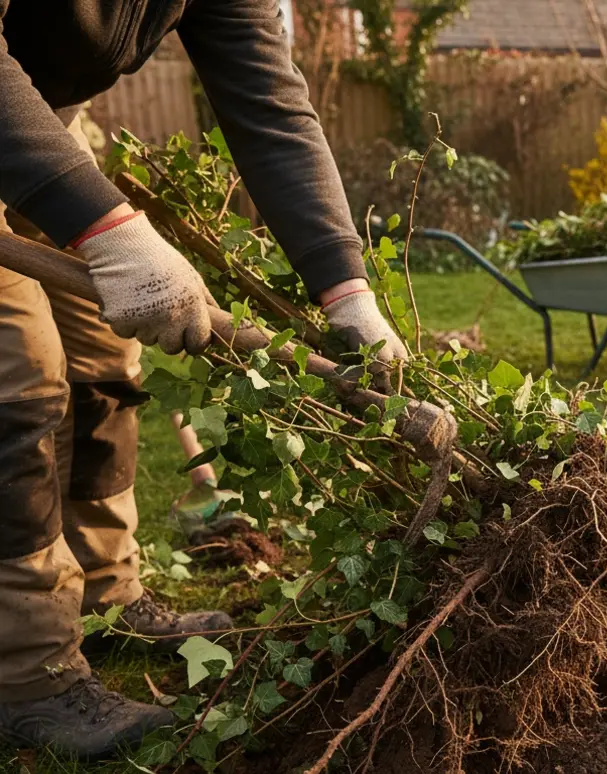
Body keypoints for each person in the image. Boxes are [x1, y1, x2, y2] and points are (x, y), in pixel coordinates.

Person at [0, 0, 407, 759]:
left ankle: (106, 591)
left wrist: (346, 291)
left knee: (103, 359)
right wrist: (108, 229)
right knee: (15, 381)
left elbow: (270, 103)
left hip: (39, 123)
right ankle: (29, 674)